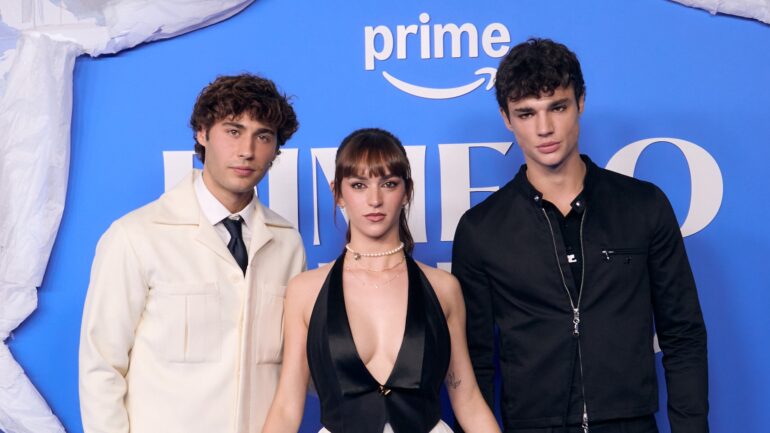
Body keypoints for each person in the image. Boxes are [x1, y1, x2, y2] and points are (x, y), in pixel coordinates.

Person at [452, 38, 709, 433]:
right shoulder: (481, 229)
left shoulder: (643, 206)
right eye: (526, 113)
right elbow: (476, 361)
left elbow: (683, 334)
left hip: (631, 424)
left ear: (580, 102)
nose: (544, 128)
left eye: (557, 106)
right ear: (506, 118)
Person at [79, 74, 305, 433]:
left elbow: (292, 370)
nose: (247, 150)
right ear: (202, 133)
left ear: (276, 149)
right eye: (233, 131)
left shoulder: (288, 244)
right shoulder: (136, 236)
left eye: (263, 136)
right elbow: (101, 365)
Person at [262, 128, 501, 433]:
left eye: (388, 184)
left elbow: (466, 398)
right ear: (338, 193)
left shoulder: (443, 288)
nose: (374, 199)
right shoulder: (305, 290)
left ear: (406, 191)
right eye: (359, 185)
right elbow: (286, 406)